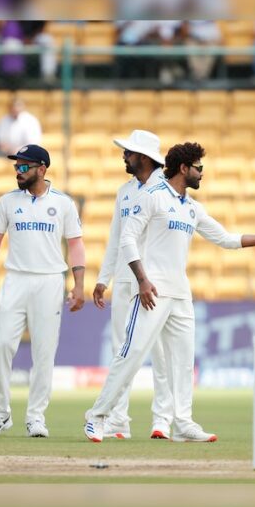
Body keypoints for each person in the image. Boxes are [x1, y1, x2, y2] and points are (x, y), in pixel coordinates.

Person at [83, 142, 255, 443]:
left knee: (183, 361)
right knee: (131, 353)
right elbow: (127, 239)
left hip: (180, 294)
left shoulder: (192, 207)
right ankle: (97, 416)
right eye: (199, 168)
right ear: (184, 168)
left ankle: (183, 423)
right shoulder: (152, 196)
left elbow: (227, 239)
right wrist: (143, 281)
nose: (202, 173)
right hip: (152, 291)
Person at [0, 144, 86, 438]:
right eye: (16, 166)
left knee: (43, 353)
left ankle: (36, 417)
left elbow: (75, 244)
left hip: (50, 281)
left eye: (24, 167)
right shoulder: (8, 202)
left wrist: (79, 284)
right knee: (1, 346)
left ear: (42, 169)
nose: (18, 171)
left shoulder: (63, 203)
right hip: (15, 279)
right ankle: (0, 414)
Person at [93, 130, 173, 440]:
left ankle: (162, 420)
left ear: (143, 157)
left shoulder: (167, 190)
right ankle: (118, 420)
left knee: (160, 353)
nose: (124, 156)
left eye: (129, 152)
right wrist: (103, 278)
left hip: (156, 281)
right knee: (121, 351)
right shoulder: (124, 191)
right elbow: (116, 238)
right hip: (126, 279)